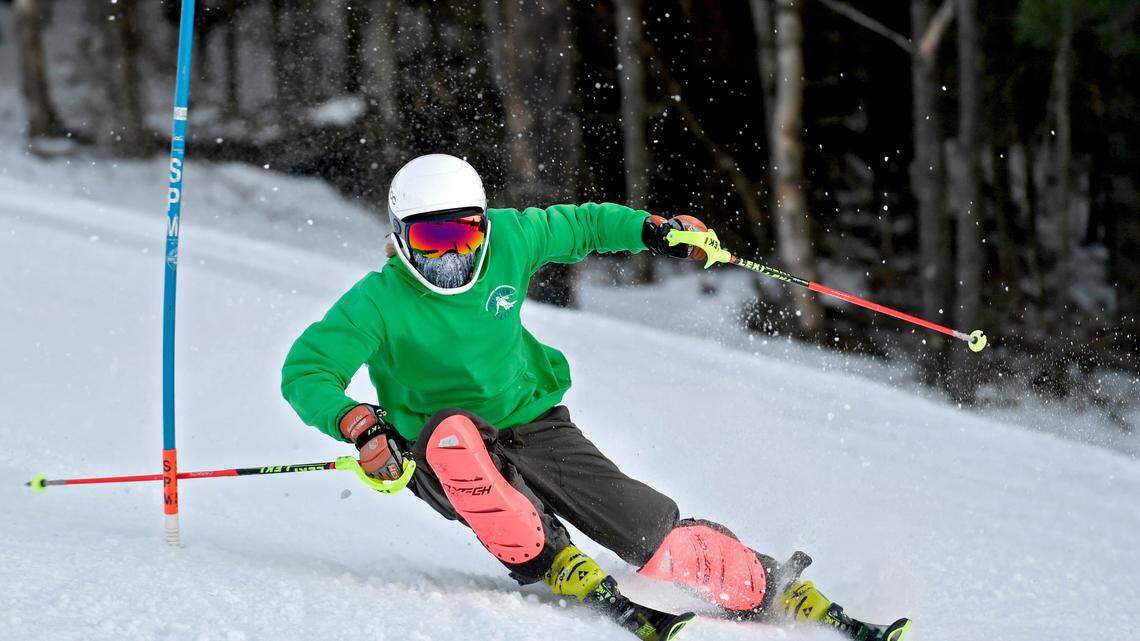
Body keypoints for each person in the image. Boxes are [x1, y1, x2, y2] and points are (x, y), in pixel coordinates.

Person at [281, 154, 909, 641]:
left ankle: (762, 582)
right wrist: (360, 426)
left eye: (464, 238)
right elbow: (306, 370)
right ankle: (549, 555)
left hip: (535, 423)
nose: (452, 257)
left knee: (646, 530)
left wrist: (653, 230)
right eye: (432, 241)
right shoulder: (378, 301)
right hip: (437, 448)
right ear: (399, 237)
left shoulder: (509, 239)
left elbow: (581, 224)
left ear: (482, 227)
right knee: (454, 435)